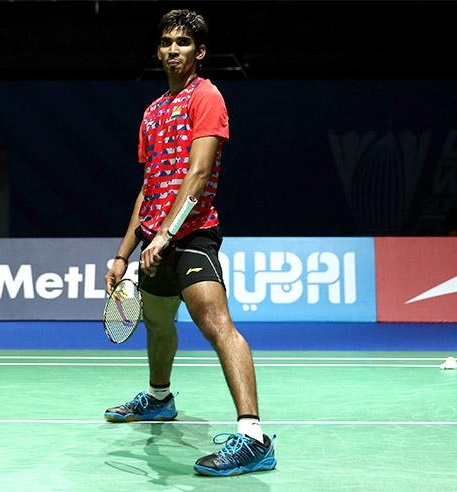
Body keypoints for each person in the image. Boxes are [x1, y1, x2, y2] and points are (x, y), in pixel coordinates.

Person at [103, 9, 276, 477]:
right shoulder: (153, 110)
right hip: (154, 243)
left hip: (192, 234)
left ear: (199, 52)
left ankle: (254, 437)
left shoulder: (208, 96)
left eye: (182, 43)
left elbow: (197, 175)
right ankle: (159, 399)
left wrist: (165, 233)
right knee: (158, 326)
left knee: (216, 324)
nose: (171, 50)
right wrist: (123, 253)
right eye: (165, 42)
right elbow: (149, 186)